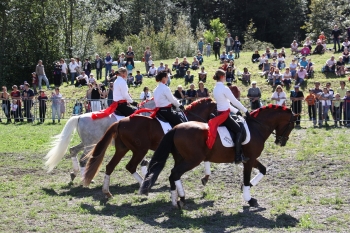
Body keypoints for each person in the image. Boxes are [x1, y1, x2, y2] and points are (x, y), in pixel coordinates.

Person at [212, 69, 250, 164]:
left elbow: (226, 103)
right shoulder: (224, 88)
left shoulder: (215, 88)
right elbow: (234, 101)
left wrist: (236, 111)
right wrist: (245, 110)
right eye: (224, 76)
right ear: (221, 77)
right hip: (225, 116)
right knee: (239, 130)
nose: (225, 78)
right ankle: (237, 157)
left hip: (220, 114)